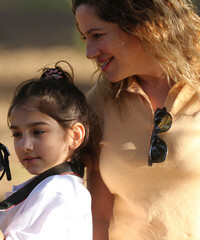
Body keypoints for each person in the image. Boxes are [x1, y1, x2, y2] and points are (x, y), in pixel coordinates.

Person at [71, 0, 200, 239]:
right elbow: (99, 216)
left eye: (97, 35)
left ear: (144, 24)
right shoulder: (99, 103)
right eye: (85, 38)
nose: (90, 52)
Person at [0, 61, 100, 240]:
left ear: (75, 135)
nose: (25, 145)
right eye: (17, 134)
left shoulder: (59, 193)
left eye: (38, 132)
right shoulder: (41, 189)